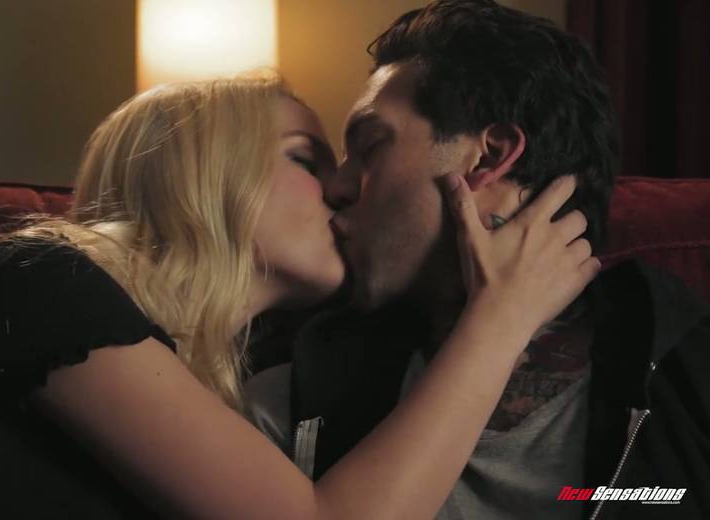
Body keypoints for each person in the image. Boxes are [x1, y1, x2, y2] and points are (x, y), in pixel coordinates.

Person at [0, 73, 597, 519]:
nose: (340, 186)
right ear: (204, 174)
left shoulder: (231, 373)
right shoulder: (43, 281)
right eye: (304, 159)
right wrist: (499, 319)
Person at [245, 1, 710, 519]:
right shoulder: (292, 397)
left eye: (371, 146)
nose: (336, 186)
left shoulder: (690, 374)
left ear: (488, 156)